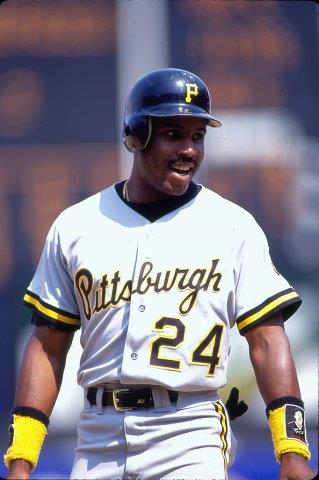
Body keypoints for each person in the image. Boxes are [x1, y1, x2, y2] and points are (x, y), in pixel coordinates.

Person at [4, 68, 314, 480]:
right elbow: (48, 346)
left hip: (189, 432)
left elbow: (267, 339)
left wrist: (291, 449)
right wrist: (21, 458)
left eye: (198, 136)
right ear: (135, 135)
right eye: (173, 133)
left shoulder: (233, 226)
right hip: (97, 435)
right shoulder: (76, 226)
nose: (189, 149)